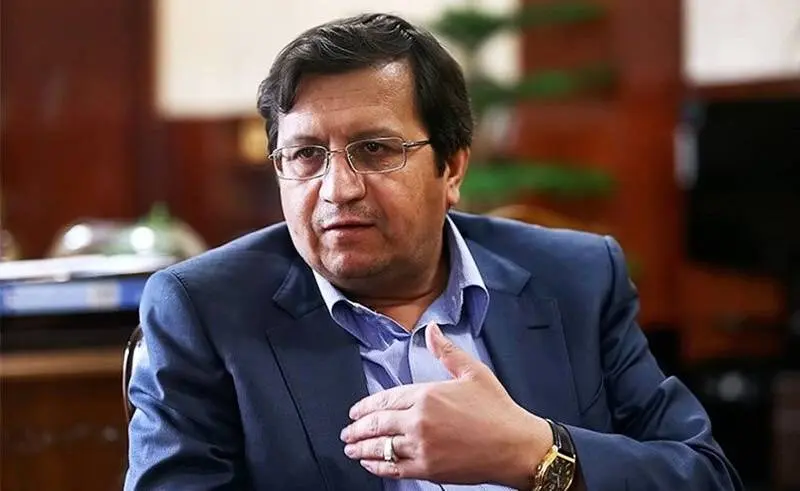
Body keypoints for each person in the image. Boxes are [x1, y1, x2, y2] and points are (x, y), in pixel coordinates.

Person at [124, 12, 742, 491]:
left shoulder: (575, 280)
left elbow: (704, 476)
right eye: (306, 155)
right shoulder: (208, 311)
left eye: (375, 149)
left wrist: (536, 453)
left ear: (452, 168)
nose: (337, 189)